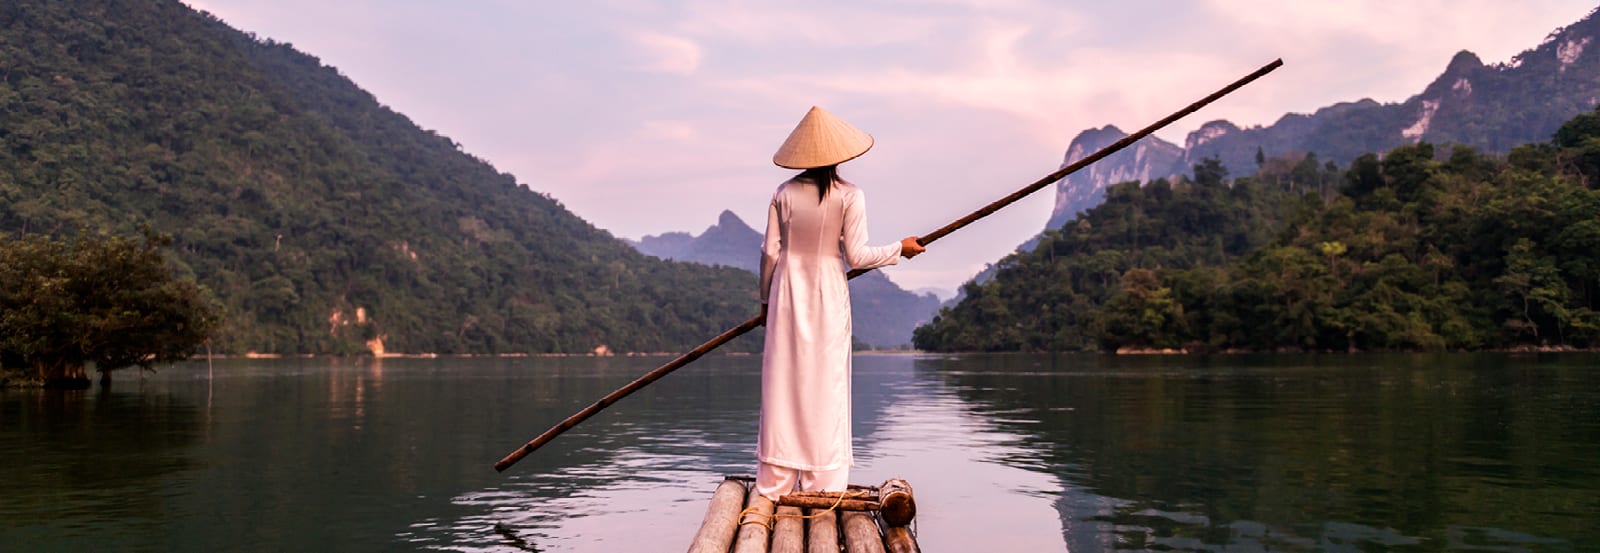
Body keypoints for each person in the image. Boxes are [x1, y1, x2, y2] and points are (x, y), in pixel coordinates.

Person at [754, 106, 925, 501]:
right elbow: (859, 256)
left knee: (782, 382)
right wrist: (900, 248)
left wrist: (766, 300)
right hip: (828, 292)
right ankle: (824, 485)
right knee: (826, 383)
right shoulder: (850, 195)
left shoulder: (783, 193)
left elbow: (769, 253)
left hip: (786, 292)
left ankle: (775, 483)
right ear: (838, 153)